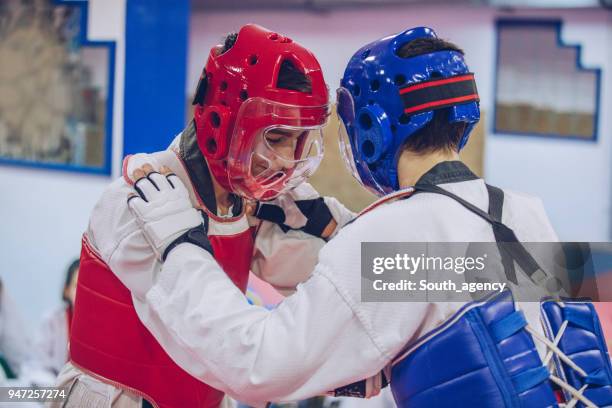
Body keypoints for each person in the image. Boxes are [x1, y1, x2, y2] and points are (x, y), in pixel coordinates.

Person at [124, 27, 612, 407]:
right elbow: (446, 283)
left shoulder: (395, 233)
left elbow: (259, 364)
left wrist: (180, 243)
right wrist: (336, 226)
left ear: (371, 129)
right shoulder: (524, 214)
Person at [55, 24, 353, 408]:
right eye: (276, 138)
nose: (287, 160)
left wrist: (340, 230)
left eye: (300, 141)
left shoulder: (246, 204)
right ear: (225, 120)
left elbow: (335, 280)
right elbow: (230, 347)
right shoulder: (142, 196)